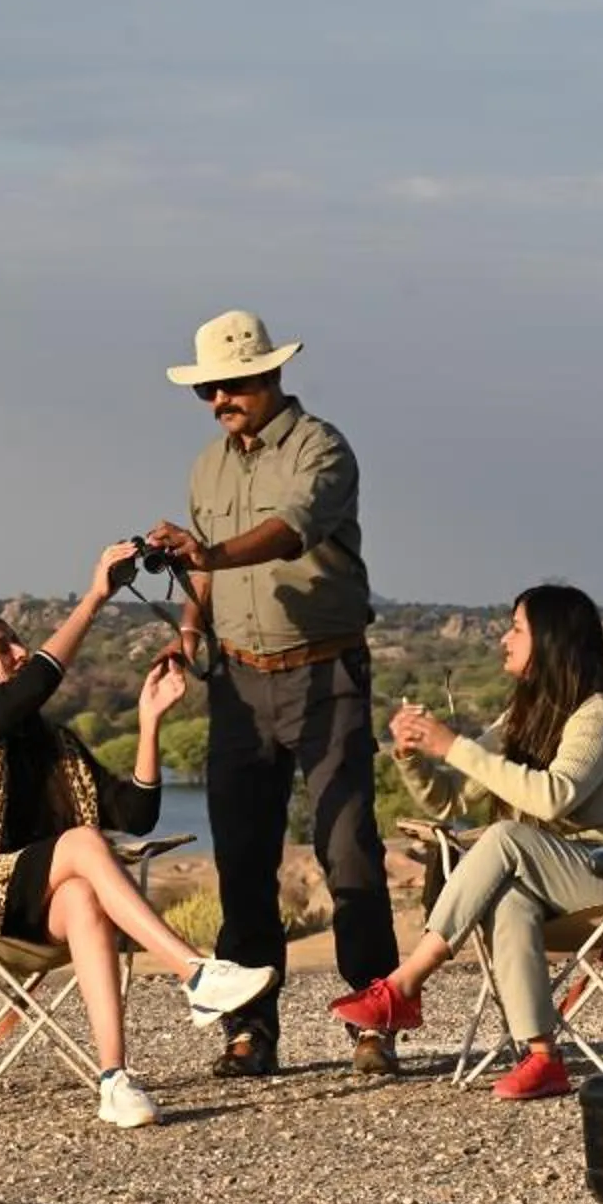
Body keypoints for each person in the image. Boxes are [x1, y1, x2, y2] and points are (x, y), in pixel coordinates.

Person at [0, 538, 276, 1128]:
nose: (19, 650)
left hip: (36, 905)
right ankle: (197, 974)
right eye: (1, 646)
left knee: (83, 892)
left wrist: (149, 724)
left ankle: (115, 1079)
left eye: (15, 640)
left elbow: (134, 815)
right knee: (83, 844)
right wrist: (96, 596)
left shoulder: (52, 743)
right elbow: (36, 682)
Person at [144, 310, 398, 1079]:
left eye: (232, 384)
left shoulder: (322, 448)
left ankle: (376, 1018)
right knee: (242, 858)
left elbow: (291, 531)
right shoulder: (207, 468)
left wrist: (211, 550)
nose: (220, 398)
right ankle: (250, 1029)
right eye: (207, 389)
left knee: (348, 848)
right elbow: (209, 572)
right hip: (239, 681)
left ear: (271, 376)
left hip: (328, 676)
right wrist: (190, 628)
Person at [329, 583, 603, 1100]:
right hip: (558, 884)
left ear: (551, 640)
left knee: (504, 839)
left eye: (517, 629)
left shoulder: (600, 714)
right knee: (510, 900)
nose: (504, 639)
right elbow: (451, 800)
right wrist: (413, 756)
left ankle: (403, 985)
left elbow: (553, 798)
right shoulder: (523, 717)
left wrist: (452, 743)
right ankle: (544, 1056)